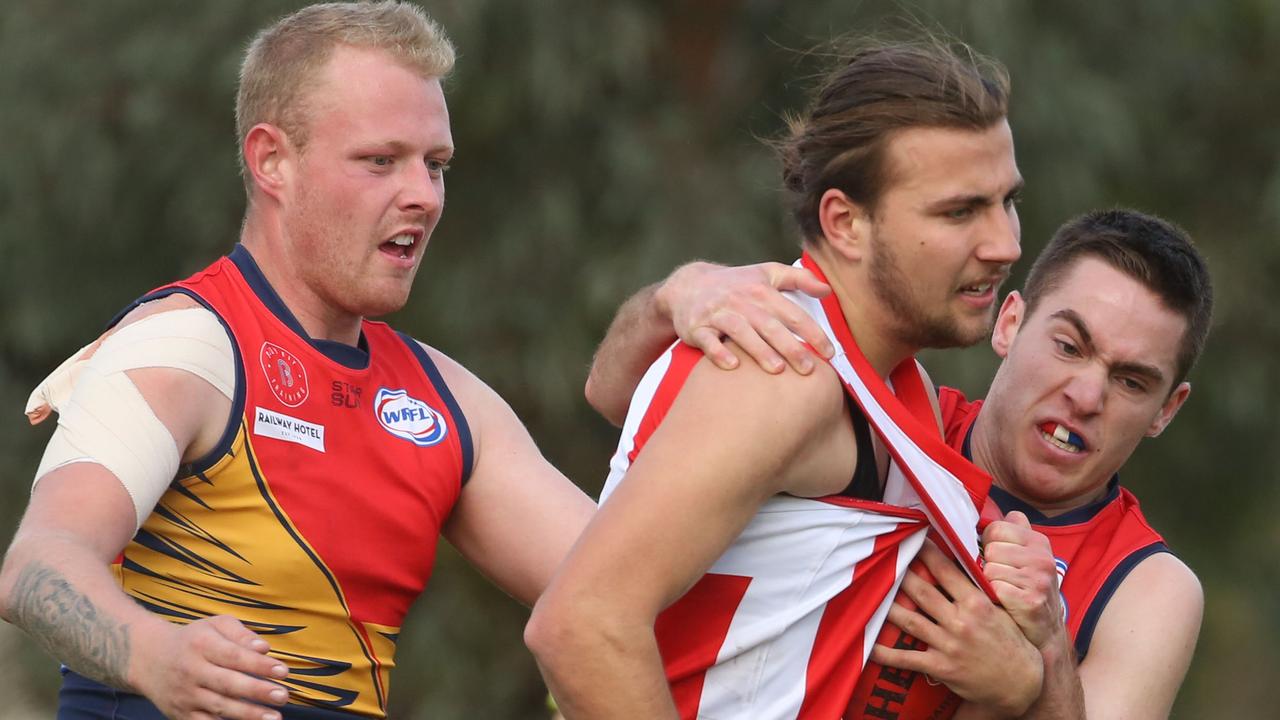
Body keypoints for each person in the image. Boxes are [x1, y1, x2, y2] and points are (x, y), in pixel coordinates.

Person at [0, 4, 830, 719]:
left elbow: (633, 586)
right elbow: (38, 563)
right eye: (380, 160)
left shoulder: (443, 401)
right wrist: (154, 655)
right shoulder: (184, 345)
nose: (424, 195)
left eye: (435, 165)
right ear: (271, 160)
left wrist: (669, 301)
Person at [525, 37, 1037, 719]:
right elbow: (580, 625)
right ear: (844, 222)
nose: (1005, 243)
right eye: (960, 211)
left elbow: (614, 397)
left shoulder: (863, 371)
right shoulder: (788, 372)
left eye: (1008, 202)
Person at [587, 209, 1209, 719]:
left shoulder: (1148, 586)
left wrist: (1040, 664)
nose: (1087, 396)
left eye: (1130, 381)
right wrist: (676, 297)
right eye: (1069, 347)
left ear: (1167, 410)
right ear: (1010, 323)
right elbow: (619, 400)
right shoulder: (894, 417)